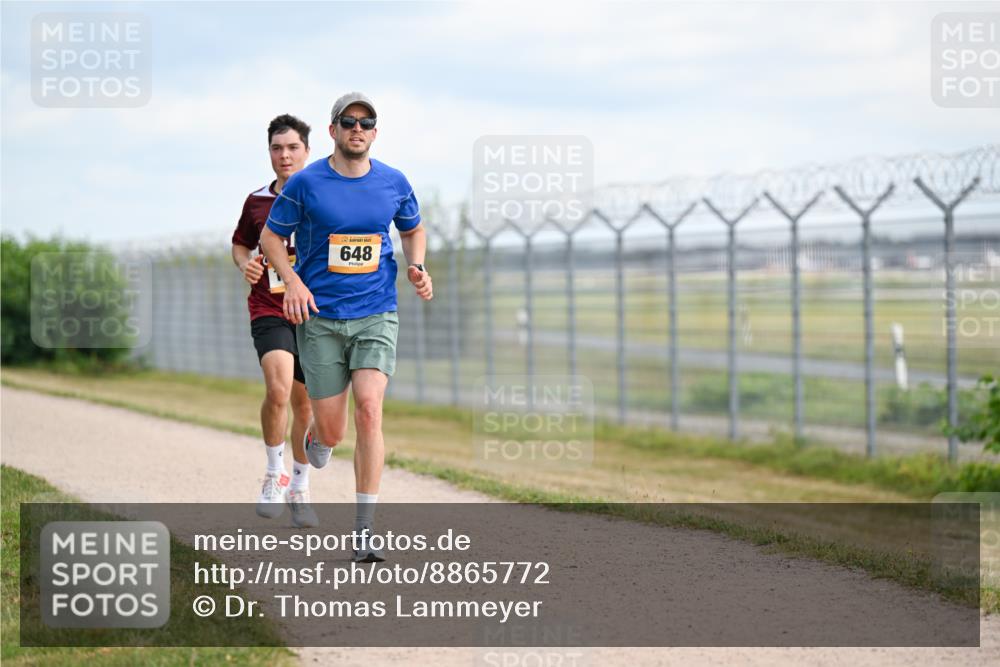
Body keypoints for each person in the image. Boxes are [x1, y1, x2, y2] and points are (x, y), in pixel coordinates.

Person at [261, 92, 432, 562]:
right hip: (320, 320)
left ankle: (363, 531)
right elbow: (270, 237)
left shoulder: (393, 182)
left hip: (376, 312)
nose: (357, 129)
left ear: (374, 133)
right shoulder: (306, 183)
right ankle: (317, 439)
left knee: (370, 411)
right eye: (348, 121)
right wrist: (292, 282)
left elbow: (413, 229)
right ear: (333, 130)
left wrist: (416, 265)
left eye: (366, 122)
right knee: (332, 433)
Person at [231, 113, 320, 528]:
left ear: (308, 151)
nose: (284, 155)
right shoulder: (256, 201)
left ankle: (300, 486)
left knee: (305, 404)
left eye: (292, 148)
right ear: (269, 152)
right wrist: (246, 264)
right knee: (279, 389)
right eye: (276, 148)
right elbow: (240, 246)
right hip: (270, 307)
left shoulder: (324, 196)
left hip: (317, 313)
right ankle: (274, 472)